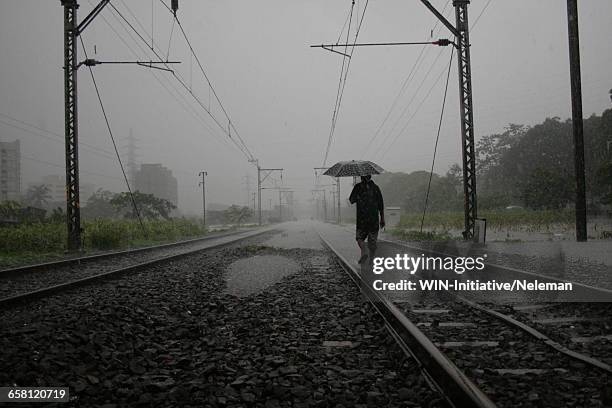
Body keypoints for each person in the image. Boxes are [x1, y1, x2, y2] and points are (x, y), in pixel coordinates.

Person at [349, 175, 385, 264]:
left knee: (360, 237)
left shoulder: (358, 187)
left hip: (362, 219)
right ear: (370, 177)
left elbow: (351, 200)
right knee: (372, 241)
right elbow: (381, 204)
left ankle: (364, 251)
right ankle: (372, 260)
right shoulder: (376, 188)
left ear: (361, 178)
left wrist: (358, 197)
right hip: (374, 219)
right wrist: (382, 218)